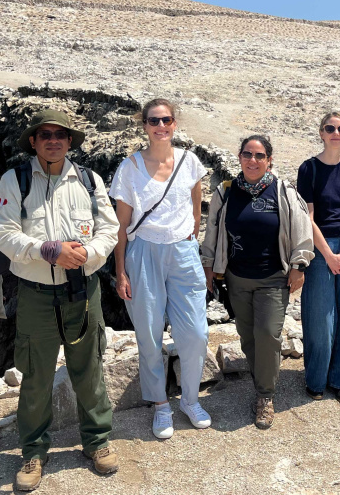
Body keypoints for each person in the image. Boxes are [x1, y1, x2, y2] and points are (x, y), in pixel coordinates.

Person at [0, 109, 120, 491]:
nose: (53, 140)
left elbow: (109, 229)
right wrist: (46, 250)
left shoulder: (89, 180)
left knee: (89, 367)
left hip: (83, 290)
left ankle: (97, 442)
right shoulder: (14, 180)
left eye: (60, 135)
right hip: (35, 294)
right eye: (44, 134)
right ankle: (33, 451)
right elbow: (3, 233)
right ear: (33, 141)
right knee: (35, 374)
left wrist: (86, 256)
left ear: (69, 141)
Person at [110, 98, 211, 439]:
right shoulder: (130, 167)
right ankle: (160, 405)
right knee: (149, 335)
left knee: (195, 332)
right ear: (145, 125)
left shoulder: (189, 161)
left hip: (182, 253)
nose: (161, 126)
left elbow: (197, 201)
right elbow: (120, 227)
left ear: (174, 123)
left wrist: (190, 234)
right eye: (154, 120)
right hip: (143, 254)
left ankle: (191, 399)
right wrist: (120, 272)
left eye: (166, 119)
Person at [201, 135, 314, 428]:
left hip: (273, 277)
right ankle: (261, 376)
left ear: (269, 160)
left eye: (259, 155)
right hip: (237, 278)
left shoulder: (283, 191)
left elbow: (302, 229)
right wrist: (209, 265)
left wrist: (299, 265)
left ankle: (265, 394)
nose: (253, 160)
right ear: (239, 157)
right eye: (247, 154)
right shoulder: (225, 193)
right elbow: (212, 231)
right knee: (248, 335)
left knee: (268, 333)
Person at [297, 111, 340, 405]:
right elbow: (308, 217)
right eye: (330, 128)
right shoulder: (309, 169)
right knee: (319, 317)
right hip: (320, 248)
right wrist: (327, 254)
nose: (335, 132)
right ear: (322, 133)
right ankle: (315, 380)